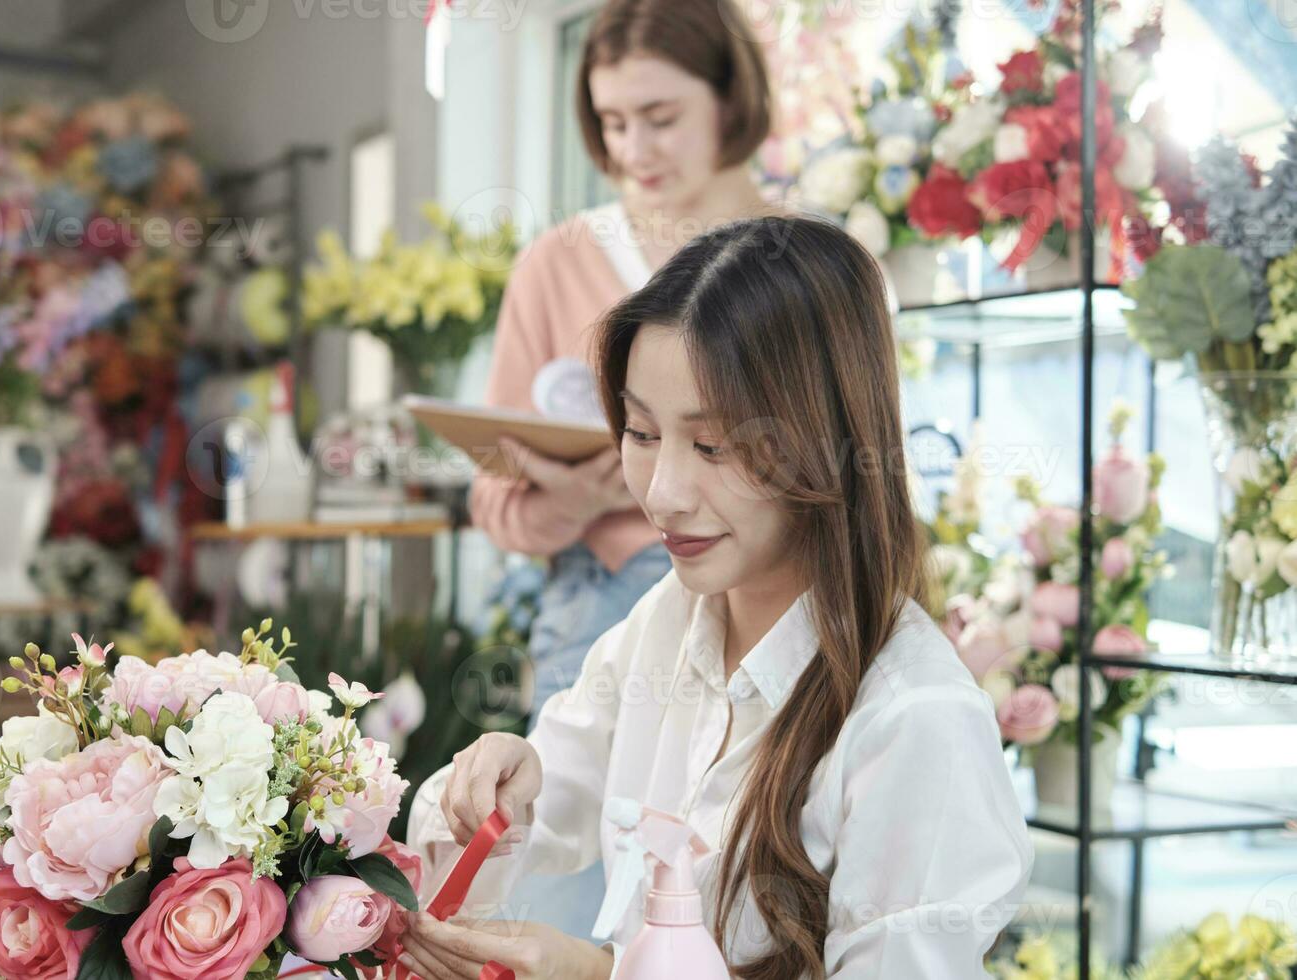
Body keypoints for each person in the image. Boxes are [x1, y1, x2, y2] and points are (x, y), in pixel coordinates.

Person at [401, 216, 1034, 980]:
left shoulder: (914, 719)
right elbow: (535, 800)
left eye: (713, 446)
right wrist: (500, 781)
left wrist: (603, 977)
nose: (662, 496)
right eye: (639, 433)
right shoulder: (668, 625)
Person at [471, 0, 778, 724]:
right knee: (597, 834)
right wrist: (574, 501)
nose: (634, 149)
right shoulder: (556, 265)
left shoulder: (803, 261)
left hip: (776, 613)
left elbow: (855, 465)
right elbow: (492, 500)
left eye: (661, 118)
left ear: (730, 99)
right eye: (613, 123)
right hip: (600, 614)